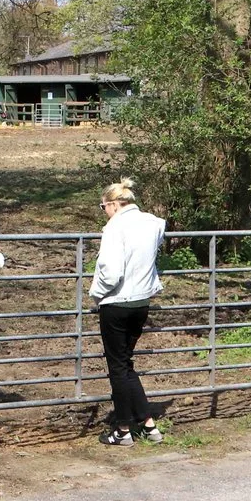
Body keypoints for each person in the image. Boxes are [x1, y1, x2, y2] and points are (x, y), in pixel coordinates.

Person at [90, 177, 166, 446]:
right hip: (141, 302)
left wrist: (96, 295)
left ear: (113, 204)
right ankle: (148, 425)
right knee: (125, 364)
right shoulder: (153, 223)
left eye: (103, 207)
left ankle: (122, 429)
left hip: (116, 303)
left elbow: (110, 272)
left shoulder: (114, 227)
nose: (104, 212)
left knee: (118, 368)